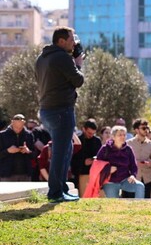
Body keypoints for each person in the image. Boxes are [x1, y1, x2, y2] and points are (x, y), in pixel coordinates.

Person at [35, 26, 84, 203]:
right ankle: (55, 192)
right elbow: (79, 80)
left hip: (47, 111)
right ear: (61, 41)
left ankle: (62, 187)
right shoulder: (63, 57)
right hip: (61, 111)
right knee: (61, 151)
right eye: (71, 40)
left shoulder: (42, 58)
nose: (74, 43)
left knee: (66, 148)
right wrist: (78, 62)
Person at [96, 126, 145, 198]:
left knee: (140, 186)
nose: (123, 137)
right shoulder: (105, 149)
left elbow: (133, 166)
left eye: (124, 135)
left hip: (125, 180)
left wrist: (132, 175)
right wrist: (108, 169)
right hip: (110, 182)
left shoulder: (128, 149)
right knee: (113, 205)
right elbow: (97, 164)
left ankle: (138, 208)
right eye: (120, 135)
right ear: (113, 137)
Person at [125, 118, 151, 198]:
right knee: (130, 203)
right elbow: (123, 161)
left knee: (145, 203)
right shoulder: (128, 143)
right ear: (136, 130)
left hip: (146, 179)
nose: (146, 130)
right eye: (143, 128)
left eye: (147, 128)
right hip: (132, 178)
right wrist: (135, 163)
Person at [71, 118, 102, 195]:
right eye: (89, 133)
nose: (91, 135)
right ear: (84, 129)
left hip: (95, 173)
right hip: (81, 173)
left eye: (93, 133)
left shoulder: (97, 141)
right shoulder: (78, 140)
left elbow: (101, 155)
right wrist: (83, 162)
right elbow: (73, 158)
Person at [0, 114, 35, 181]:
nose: (19, 121)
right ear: (12, 121)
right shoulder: (2, 135)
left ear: (24, 122)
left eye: (21, 119)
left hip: (25, 174)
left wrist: (28, 151)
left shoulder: (29, 135)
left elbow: (34, 154)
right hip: (6, 175)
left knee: (27, 192)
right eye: (17, 119)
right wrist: (8, 151)